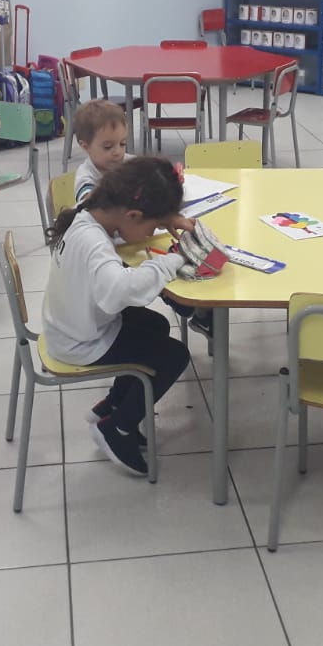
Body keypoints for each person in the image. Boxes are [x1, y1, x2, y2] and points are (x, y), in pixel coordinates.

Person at [43, 157, 192, 475]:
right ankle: (117, 428)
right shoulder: (95, 243)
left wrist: (167, 217)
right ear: (132, 215)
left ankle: (111, 405)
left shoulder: (89, 214)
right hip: (79, 341)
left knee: (156, 324)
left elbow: (127, 236)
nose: (153, 232)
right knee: (175, 356)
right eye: (153, 226)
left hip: (70, 324)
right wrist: (172, 261)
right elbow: (119, 292)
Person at [71, 99, 211, 336]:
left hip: (133, 239)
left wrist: (167, 215)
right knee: (154, 275)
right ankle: (188, 305)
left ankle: (198, 310)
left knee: (178, 260)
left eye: (122, 143)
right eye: (108, 146)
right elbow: (95, 206)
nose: (117, 152)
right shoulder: (86, 177)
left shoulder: (128, 163)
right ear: (85, 146)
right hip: (113, 252)